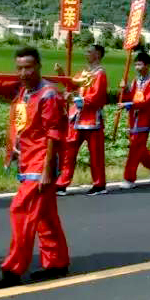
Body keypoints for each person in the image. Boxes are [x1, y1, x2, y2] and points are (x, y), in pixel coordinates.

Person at [0, 47, 70, 289]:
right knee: (45, 216)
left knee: (21, 210)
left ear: (38, 67)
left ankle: (12, 270)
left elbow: (54, 135)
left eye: (29, 67)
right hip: (27, 160)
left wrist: (47, 171)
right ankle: (57, 262)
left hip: (40, 163)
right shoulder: (21, 89)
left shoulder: (48, 95)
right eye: (20, 68)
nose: (24, 73)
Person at [56, 44, 108, 195]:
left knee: (96, 154)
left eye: (89, 52)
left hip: (92, 119)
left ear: (97, 55)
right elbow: (72, 85)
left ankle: (99, 185)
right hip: (77, 117)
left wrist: (79, 99)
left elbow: (97, 97)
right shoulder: (85, 72)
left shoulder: (100, 74)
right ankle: (62, 184)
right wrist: (61, 73)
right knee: (69, 151)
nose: (86, 54)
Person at [117, 50, 150, 189]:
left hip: (145, 118)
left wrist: (129, 104)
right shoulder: (136, 80)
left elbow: (148, 101)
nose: (137, 67)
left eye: (140, 64)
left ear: (147, 65)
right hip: (134, 117)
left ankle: (129, 179)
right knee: (139, 148)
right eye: (135, 64)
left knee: (135, 148)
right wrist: (124, 90)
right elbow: (129, 96)